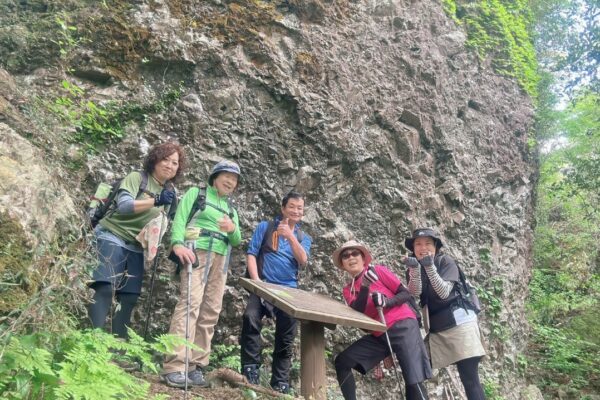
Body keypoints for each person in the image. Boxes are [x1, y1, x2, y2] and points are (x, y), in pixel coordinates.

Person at [88, 141, 185, 339]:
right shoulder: (137, 178)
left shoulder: (170, 193)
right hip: (112, 234)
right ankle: (91, 342)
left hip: (136, 246)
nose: (169, 165)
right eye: (165, 160)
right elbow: (124, 206)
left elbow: (167, 223)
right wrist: (156, 201)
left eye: (175, 163)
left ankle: (118, 349)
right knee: (105, 287)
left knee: (129, 297)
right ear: (154, 160)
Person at [161, 160, 242, 388]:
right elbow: (180, 218)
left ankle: (195, 365)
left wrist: (232, 229)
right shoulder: (197, 194)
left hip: (221, 259)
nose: (230, 181)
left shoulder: (231, 209)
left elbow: (237, 240)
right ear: (214, 177)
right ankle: (174, 365)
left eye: (234, 179)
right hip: (196, 252)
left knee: (211, 310)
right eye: (226, 175)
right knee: (190, 304)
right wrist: (177, 243)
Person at [332, 240, 431, 400]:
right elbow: (358, 310)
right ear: (343, 265)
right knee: (343, 361)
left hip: (403, 325)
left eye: (355, 253)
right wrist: (365, 286)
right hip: (379, 334)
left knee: (413, 379)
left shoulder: (378, 271)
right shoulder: (348, 290)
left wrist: (386, 302)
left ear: (363, 258)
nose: (351, 257)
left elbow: (405, 294)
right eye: (345, 255)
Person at [240, 191, 312, 394]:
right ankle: (250, 369)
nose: (296, 211)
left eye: (300, 208)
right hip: (262, 284)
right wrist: (256, 284)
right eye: (292, 206)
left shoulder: (302, 237)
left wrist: (290, 236)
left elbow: (303, 261)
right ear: (283, 208)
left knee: (286, 332)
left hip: (289, 290)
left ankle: (280, 380)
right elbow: (252, 254)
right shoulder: (265, 227)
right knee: (250, 317)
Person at [404, 228, 486, 400]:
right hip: (436, 328)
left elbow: (444, 293)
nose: (422, 247)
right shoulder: (414, 266)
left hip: (460, 324)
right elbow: (415, 291)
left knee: (469, 378)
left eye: (428, 243)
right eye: (418, 244)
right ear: (413, 248)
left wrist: (429, 266)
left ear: (436, 247)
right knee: (415, 369)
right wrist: (415, 270)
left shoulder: (446, 261)